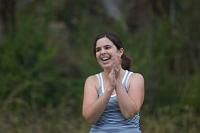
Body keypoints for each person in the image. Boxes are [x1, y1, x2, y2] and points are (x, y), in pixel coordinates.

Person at [82, 32, 144, 133]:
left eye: (107, 47)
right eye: (98, 50)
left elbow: (129, 113)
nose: (102, 52)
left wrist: (117, 83)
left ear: (120, 51)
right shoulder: (91, 81)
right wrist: (109, 89)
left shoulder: (135, 78)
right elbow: (90, 118)